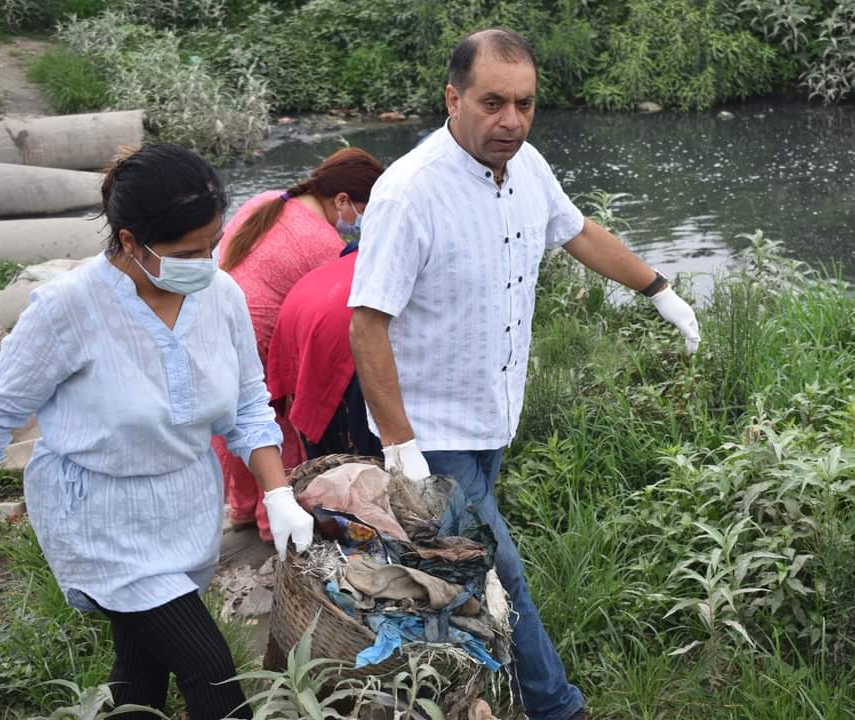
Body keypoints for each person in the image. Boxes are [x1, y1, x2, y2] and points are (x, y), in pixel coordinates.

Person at [348, 27, 700, 720]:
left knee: (457, 569)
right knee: (501, 568)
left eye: (525, 104)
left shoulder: (529, 166)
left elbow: (577, 231)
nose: (510, 120)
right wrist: (400, 446)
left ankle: (446, 681)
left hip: (493, 416)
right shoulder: (408, 195)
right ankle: (554, 706)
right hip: (431, 434)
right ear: (453, 98)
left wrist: (657, 288)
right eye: (492, 103)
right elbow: (367, 324)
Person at [0, 144, 314, 719]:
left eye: (212, 245)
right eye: (187, 251)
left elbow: (246, 404)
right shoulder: (69, 308)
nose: (205, 261)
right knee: (209, 669)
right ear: (131, 241)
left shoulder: (220, 295)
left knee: (142, 668)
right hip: (101, 517)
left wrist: (278, 492)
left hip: (185, 507)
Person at [213, 147, 384, 541]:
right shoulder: (321, 243)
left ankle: (241, 510)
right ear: (342, 201)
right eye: (364, 208)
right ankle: (272, 525)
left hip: (216, 327)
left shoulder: (268, 200)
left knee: (233, 424)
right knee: (276, 428)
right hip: (256, 340)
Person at [266, 240, 383, 461]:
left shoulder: (342, 263)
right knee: (368, 463)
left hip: (308, 320)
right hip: (345, 337)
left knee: (331, 463)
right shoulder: (383, 265)